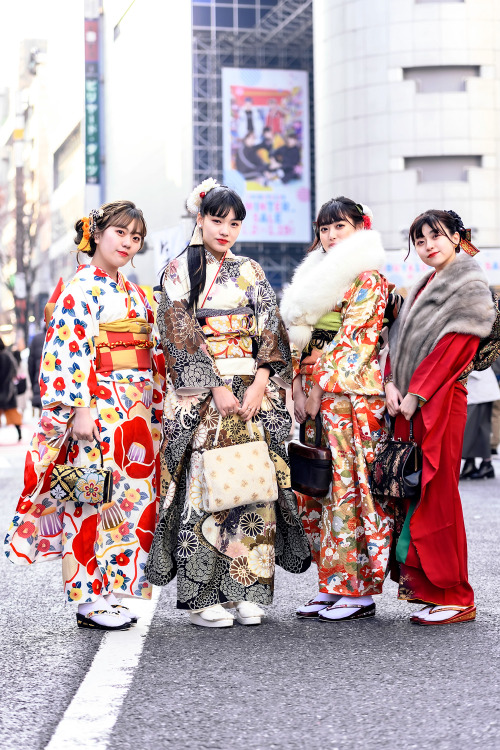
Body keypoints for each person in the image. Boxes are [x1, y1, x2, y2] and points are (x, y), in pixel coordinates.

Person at [144, 179, 311, 628]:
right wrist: (216, 387)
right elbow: (179, 330)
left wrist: (260, 383)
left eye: (234, 223)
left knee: (253, 486)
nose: (226, 230)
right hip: (204, 397)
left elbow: (271, 330)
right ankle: (201, 596)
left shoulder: (251, 270)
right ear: (200, 218)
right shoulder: (179, 270)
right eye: (217, 220)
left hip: (251, 392)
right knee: (206, 489)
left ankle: (248, 588)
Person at [5, 200, 164, 631]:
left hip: (133, 408)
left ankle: (112, 590)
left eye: (136, 238)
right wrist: (80, 408)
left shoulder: (131, 290)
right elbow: (68, 351)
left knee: (126, 501)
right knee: (91, 497)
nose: (128, 244)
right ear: (96, 233)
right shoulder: (81, 287)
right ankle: (87, 596)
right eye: (120, 233)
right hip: (97, 405)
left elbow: (150, 349)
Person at [280, 196, 392, 622]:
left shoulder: (368, 278)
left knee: (350, 488)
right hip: (316, 392)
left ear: (359, 228)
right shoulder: (318, 276)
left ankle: (358, 589)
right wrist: (296, 381)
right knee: (320, 487)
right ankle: (330, 584)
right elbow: (300, 338)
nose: (329, 236)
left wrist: (318, 388)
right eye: (324, 229)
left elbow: (355, 342)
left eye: (339, 227)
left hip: (349, 396)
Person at [385, 209, 495, 625]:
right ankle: (433, 590)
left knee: (439, 489)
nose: (428, 245)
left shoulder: (469, 282)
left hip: (441, 399)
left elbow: (456, 346)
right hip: (411, 401)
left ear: (456, 237)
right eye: (420, 239)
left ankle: (456, 593)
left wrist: (417, 392)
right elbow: (396, 343)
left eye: (436, 236)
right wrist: (392, 385)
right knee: (415, 491)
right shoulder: (422, 285)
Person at [460, 368, 500, 479]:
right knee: (476, 430)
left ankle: (486, 464)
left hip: (480, 390)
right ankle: (471, 464)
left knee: (476, 430)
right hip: (476, 390)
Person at [0, 338, 22, 441]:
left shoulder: (2, 356)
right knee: (13, 414)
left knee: (12, 413)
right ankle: (19, 433)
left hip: (3, 389)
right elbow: (14, 370)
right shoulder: (8, 355)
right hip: (9, 390)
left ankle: (19, 433)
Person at [28, 326, 46, 414]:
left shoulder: (36, 339)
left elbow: (30, 364)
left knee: (43, 415)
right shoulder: (63, 335)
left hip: (40, 382)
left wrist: (33, 383)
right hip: (59, 386)